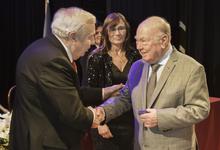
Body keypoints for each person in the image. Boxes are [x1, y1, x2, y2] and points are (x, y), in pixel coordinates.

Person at [9, 7, 122, 150]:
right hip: (44, 143)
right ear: (73, 36)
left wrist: (105, 91)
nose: (92, 42)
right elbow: (73, 114)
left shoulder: (44, 47)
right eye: (89, 36)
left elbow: (68, 92)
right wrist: (97, 115)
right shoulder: (53, 60)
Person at [96, 16, 210, 150]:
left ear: (164, 40)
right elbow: (125, 98)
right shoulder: (137, 66)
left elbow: (200, 109)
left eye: (144, 41)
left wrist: (161, 117)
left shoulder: (191, 68)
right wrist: (104, 111)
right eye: (137, 41)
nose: (139, 47)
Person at [88, 13, 141, 150]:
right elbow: (91, 93)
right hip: (106, 122)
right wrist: (100, 124)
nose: (117, 33)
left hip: (131, 122)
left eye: (121, 28)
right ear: (106, 31)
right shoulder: (96, 57)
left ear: (127, 31)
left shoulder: (136, 55)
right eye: (113, 29)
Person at [77, 20, 103, 86]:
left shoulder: (110, 51)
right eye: (97, 33)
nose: (100, 35)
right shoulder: (86, 51)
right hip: (88, 89)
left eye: (102, 33)